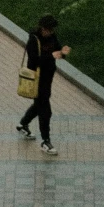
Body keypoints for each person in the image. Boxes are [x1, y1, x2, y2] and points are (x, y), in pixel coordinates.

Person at [17, 16, 71, 154]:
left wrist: (63, 53)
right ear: (42, 28)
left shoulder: (52, 36)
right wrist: (51, 56)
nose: (51, 32)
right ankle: (46, 141)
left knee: (39, 103)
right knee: (45, 110)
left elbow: (57, 50)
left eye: (52, 29)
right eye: (48, 29)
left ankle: (23, 124)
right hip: (37, 78)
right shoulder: (34, 40)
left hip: (48, 77)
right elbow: (34, 60)